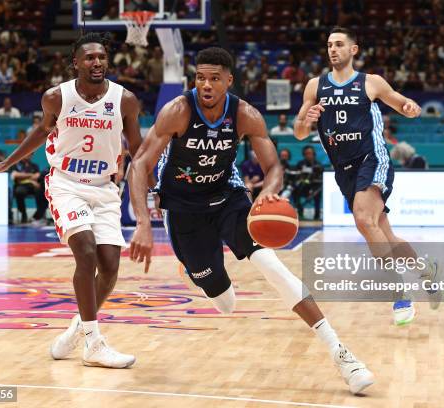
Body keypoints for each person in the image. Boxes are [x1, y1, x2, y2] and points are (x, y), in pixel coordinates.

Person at [128, 47, 374, 395]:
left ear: (230, 81)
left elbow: (273, 167)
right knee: (224, 302)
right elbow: (139, 165)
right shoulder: (178, 111)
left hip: (228, 198)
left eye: (215, 78)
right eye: (201, 78)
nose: (207, 85)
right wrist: (142, 223)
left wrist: (266, 194)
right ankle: (194, 265)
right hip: (183, 208)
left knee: (271, 264)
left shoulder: (245, 115)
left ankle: (341, 353)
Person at [0, 32, 144, 369]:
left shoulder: (125, 100)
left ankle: (77, 328)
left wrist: (154, 184)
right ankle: (94, 344)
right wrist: (6, 164)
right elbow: (40, 132)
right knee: (85, 252)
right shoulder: (57, 97)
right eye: (89, 58)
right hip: (66, 183)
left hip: (105, 187)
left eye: (101, 57)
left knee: (110, 267)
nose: (96, 63)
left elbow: (138, 149)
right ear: (76, 63)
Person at [294, 27, 442, 326]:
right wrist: (305, 120)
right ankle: (425, 269)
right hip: (343, 168)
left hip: (371, 158)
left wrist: (411, 109)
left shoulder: (370, 82)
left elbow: (401, 104)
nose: (332, 49)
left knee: (364, 218)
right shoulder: (314, 86)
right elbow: (299, 133)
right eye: (329, 45)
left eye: (338, 45)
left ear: (353, 49)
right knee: (382, 233)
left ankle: (400, 293)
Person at [10, 154, 48, 225]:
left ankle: (38, 215)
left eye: (31, 154)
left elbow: (37, 176)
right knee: (19, 192)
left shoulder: (34, 166)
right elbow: (15, 175)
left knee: (42, 191)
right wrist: (31, 177)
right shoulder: (16, 165)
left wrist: (23, 176)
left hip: (33, 186)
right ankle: (23, 214)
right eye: (27, 153)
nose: (29, 155)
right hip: (21, 186)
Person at [292, 145, 323, 220]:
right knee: (295, 191)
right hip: (303, 186)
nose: (308, 155)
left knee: (318, 193)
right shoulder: (300, 164)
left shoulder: (318, 164)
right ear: (304, 154)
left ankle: (317, 215)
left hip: (315, 187)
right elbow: (296, 176)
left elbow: (321, 178)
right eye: (306, 153)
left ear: (314, 154)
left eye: (310, 153)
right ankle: (300, 212)